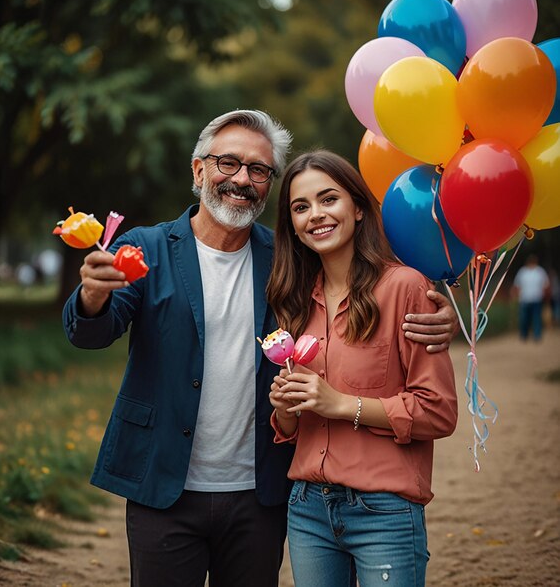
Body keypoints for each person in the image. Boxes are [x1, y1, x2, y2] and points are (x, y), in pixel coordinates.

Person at [62, 111, 457, 587]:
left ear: (269, 184)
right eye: (228, 163)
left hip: (260, 493)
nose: (242, 179)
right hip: (162, 486)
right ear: (199, 170)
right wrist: (92, 296)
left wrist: (440, 312)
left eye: (259, 170)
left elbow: (364, 286)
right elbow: (91, 332)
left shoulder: (288, 261)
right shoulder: (146, 249)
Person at [267, 150, 458, 587]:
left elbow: (439, 412)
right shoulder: (294, 303)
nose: (316, 215)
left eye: (328, 199)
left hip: (384, 511)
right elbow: (292, 427)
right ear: (292, 226)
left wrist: (341, 404)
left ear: (356, 207)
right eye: (300, 207)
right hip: (308, 509)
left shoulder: (404, 288)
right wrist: (286, 408)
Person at [511, 254, 551, 341]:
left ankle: (537, 335)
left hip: (537, 298)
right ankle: (524, 335)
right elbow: (517, 285)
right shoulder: (522, 272)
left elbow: (545, 285)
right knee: (524, 319)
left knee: (536, 318)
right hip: (524, 299)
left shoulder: (540, 271)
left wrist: (546, 296)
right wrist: (515, 295)